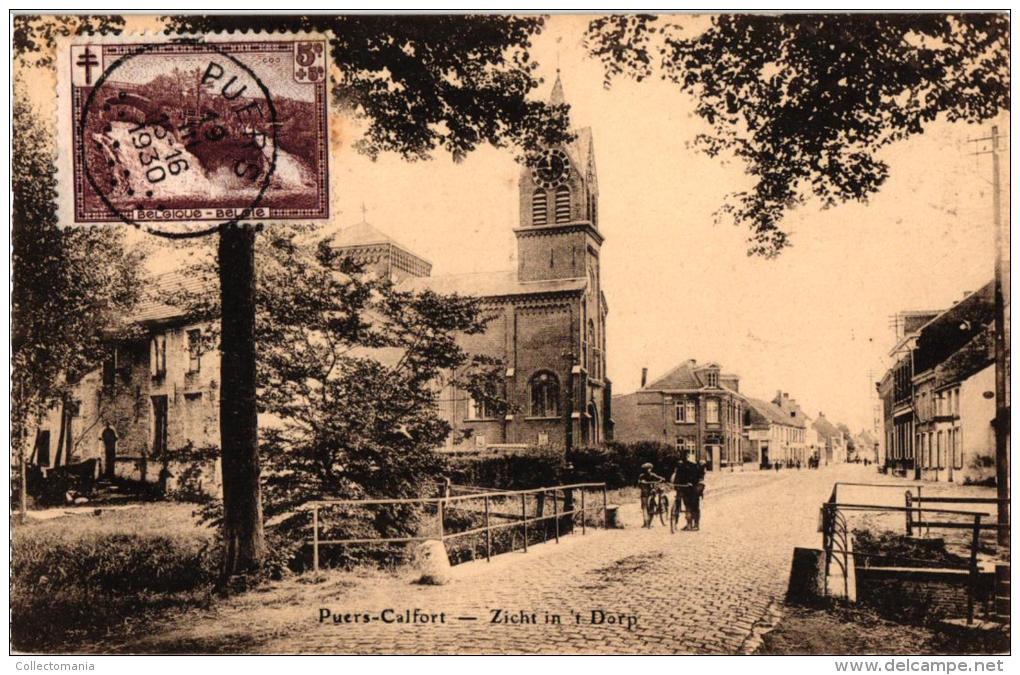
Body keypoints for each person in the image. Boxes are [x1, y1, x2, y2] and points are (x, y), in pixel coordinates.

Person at [670, 451, 706, 531]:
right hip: (687, 488)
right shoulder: (689, 466)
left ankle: (694, 525)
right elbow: (677, 478)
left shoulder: (687, 466)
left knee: (691, 506)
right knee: (690, 506)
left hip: (692, 488)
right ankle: (691, 525)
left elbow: (697, 478)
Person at [637, 462, 665, 528]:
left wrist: (661, 479)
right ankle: (646, 522)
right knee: (644, 507)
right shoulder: (641, 476)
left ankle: (648, 522)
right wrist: (641, 482)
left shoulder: (652, 475)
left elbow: (659, 478)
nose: (648, 470)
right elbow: (639, 483)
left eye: (649, 469)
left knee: (650, 506)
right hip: (644, 493)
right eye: (647, 469)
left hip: (651, 492)